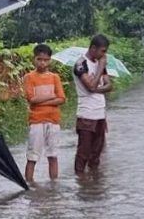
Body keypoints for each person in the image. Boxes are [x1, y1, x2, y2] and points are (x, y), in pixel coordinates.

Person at [23, 43, 66, 182]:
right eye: (39, 59)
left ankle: (54, 185)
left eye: (46, 60)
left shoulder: (55, 77)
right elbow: (31, 99)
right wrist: (51, 96)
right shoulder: (29, 77)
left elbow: (62, 99)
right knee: (32, 156)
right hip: (36, 120)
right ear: (34, 59)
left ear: (50, 60)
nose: (42, 63)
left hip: (53, 120)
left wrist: (41, 101)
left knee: (53, 155)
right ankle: (29, 184)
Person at [73, 34, 113, 174]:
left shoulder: (99, 64)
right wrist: (100, 68)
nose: (104, 55)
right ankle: (80, 182)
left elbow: (109, 86)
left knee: (97, 153)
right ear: (93, 48)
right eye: (103, 51)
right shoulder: (80, 64)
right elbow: (91, 86)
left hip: (100, 114)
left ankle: (94, 185)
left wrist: (94, 88)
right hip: (86, 114)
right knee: (83, 152)